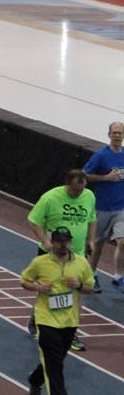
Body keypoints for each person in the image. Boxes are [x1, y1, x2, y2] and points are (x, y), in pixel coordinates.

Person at [26, 169, 96, 352]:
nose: (78, 193)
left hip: (77, 255)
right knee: (50, 291)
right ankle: (37, 319)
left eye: (81, 189)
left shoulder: (89, 196)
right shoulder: (50, 198)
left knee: (74, 292)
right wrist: (46, 242)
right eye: (74, 190)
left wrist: (91, 240)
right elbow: (34, 221)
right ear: (67, 185)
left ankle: (71, 332)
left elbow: (92, 219)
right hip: (51, 255)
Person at [21, 226, 94, 395]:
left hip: (69, 321)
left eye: (66, 241)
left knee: (56, 359)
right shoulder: (40, 263)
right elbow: (24, 281)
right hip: (46, 320)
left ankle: (35, 379)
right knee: (54, 366)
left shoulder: (81, 263)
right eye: (59, 241)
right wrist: (38, 287)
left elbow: (90, 287)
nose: (63, 244)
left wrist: (79, 285)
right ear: (52, 243)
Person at [84, 121, 124, 293]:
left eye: (120, 133)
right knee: (97, 246)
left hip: (121, 208)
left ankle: (118, 276)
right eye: (114, 133)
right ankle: (91, 274)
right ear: (109, 135)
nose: (117, 136)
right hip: (102, 207)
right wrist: (105, 178)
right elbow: (85, 174)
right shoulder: (101, 156)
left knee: (123, 242)